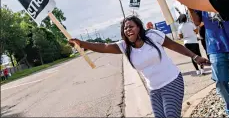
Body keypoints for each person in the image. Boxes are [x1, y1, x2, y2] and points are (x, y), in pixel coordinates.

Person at [69, 15, 210, 118]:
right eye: (125, 28)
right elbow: (104, 47)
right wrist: (81, 43)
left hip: (172, 81)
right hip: (155, 90)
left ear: (139, 28)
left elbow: (173, 45)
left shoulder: (152, 35)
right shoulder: (124, 46)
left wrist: (195, 57)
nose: (128, 30)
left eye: (131, 26)